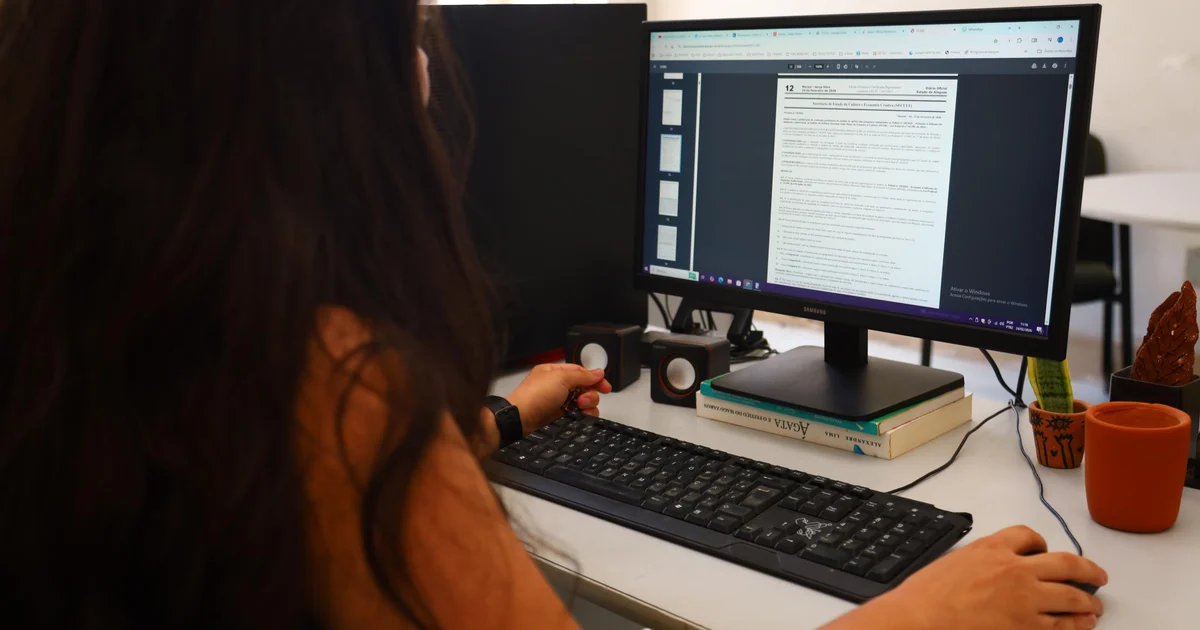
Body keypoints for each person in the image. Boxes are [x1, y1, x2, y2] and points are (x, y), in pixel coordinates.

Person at [0, 1, 1106, 629]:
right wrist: (921, 613)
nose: (423, 72)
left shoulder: (89, 327)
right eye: (406, 32)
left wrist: (493, 423)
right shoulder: (330, 383)